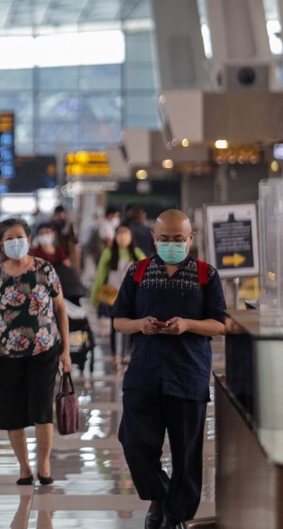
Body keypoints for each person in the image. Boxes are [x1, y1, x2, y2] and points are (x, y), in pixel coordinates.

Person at [111, 209, 226, 529]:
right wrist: (140, 325)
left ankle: (176, 518)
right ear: (153, 238)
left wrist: (188, 324)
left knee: (186, 454)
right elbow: (119, 320)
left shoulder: (207, 274)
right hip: (145, 372)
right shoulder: (138, 271)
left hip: (188, 373)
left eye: (178, 239)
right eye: (164, 239)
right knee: (133, 441)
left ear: (191, 238)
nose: (172, 244)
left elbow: (220, 324)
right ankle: (160, 495)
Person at [0, 217, 71, 486]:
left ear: (28, 240)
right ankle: (24, 467)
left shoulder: (44, 269)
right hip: (7, 353)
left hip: (44, 350)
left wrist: (66, 350)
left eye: (19, 237)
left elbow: (61, 310)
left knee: (42, 410)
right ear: (1, 243)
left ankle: (43, 464)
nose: (15, 242)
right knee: (12, 412)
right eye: (9, 238)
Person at [90, 224, 147, 361]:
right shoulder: (108, 253)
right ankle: (117, 354)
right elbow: (100, 276)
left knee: (131, 326)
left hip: (132, 297)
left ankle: (127, 353)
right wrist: (95, 299)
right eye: (120, 232)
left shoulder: (137, 253)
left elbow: (146, 272)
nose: (122, 235)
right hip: (113, 297)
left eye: (125, 232)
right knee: (115, 325)